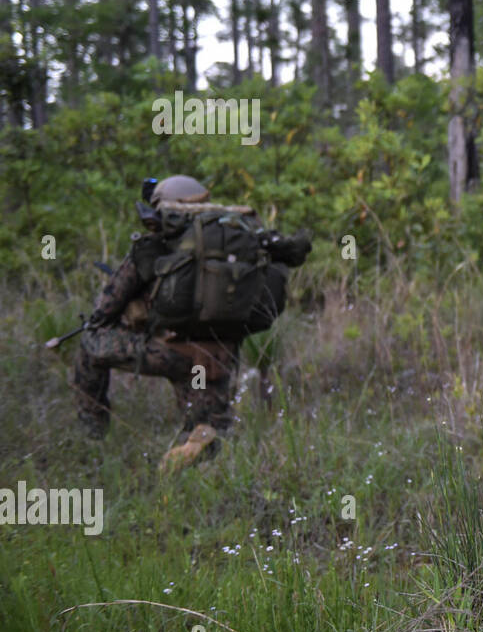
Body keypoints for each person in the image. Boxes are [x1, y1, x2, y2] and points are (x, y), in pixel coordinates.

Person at [73, 175, 310, 473]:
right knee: (210, 427)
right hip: (217, 357)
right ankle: (200, 446)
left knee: (90, 342)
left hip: (169, 352)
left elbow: (103, 311)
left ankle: (92, 435)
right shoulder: (246, 237)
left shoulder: (156, 244)